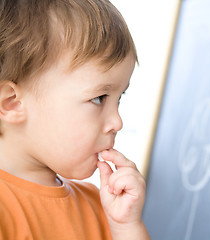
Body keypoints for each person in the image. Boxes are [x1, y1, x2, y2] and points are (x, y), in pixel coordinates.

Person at [0, 0, 151, 239]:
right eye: (99, 98)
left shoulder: (101, 208)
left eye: (119, 98)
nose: (117, 122)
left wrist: (126, 228)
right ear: (12, 103)